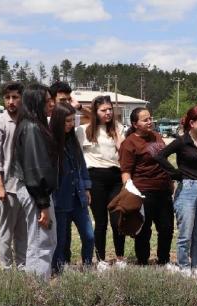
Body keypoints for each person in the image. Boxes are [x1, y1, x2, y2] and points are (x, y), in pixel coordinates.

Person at [156, 106, 197, 277]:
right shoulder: (182, 141)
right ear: (192, 123)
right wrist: (175, 173)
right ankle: (184, 266)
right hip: (187, 190)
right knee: (186, 233)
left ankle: (196, 265)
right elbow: (160, 156)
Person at [12, 84, 59, 278]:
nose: (52, 103)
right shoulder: (31, 127)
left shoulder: (32, 124)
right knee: (42, 243)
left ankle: (36, 290)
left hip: (34, 191)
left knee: (41, 241)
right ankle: (37, 294)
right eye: (47, 100)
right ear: (37, 102)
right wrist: (42, 203)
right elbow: (35, 168)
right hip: (35, 193)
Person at [119, 107, 174, 267]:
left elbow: (164, 162)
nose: (150, 122)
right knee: (144, 230)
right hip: (143, 192)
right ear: (135, 124)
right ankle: (143, 262)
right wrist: (130, 192)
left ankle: (164, 260)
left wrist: (170, 182)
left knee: (166, 228)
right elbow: (126, 171)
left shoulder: (157, 136)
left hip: (163, 190)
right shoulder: (129, 143)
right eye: (145, 120)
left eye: (150, 118)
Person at [78, 95, 127, 271]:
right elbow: (77, 156)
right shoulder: (84, 130)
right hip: (95, 178)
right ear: (95, 112)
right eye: (103, 110)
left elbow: (123, 151)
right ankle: (101, 259)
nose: (107, 113)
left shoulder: (117, 127)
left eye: (109, 109)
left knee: (117, 219)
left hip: (115, 177)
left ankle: (120, 257)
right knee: (100, 222)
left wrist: (116, 133)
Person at [51, 103, 94, 272]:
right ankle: (57, 270)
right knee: (60, 239)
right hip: (60, 198)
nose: (70, 124)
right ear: (58, 121)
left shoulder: (73, 139)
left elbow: (81, 166)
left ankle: (88, 265)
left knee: (89, 236)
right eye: (67, 121)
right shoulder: (50, 141)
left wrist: (87, 188)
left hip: (78, 196)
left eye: (72, 120)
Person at [0, 82, 27, 270]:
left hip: (24, 187)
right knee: (6, 232)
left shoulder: (26, 121)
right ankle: (6, 270)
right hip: (7, 187)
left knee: (23, 232)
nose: (11, 102)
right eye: (7, 98)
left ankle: (22, 269)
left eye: (15, 97)